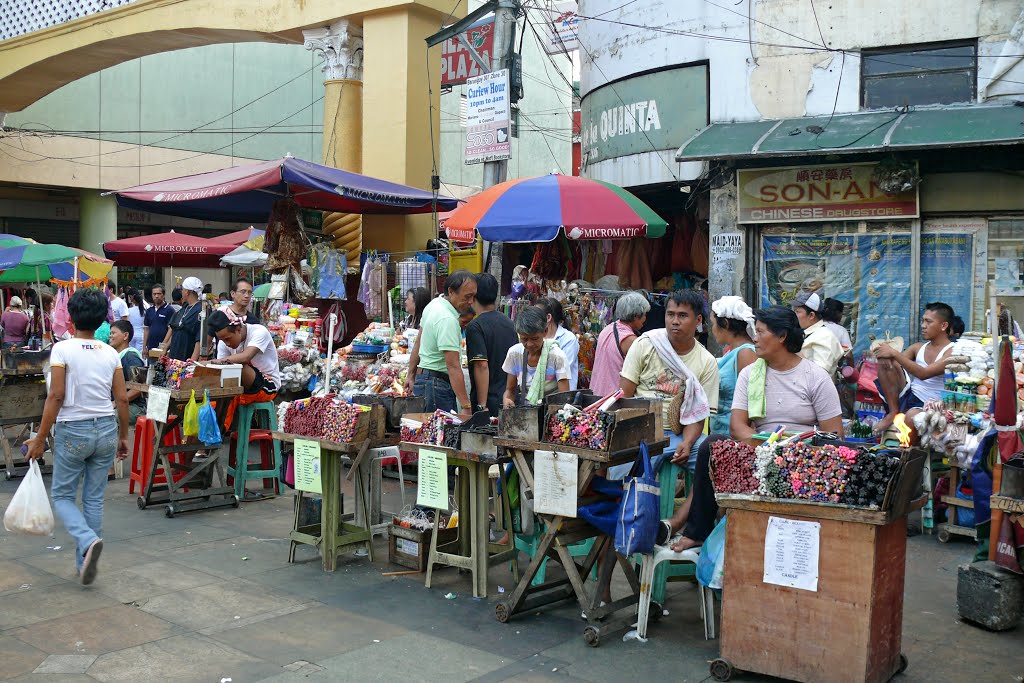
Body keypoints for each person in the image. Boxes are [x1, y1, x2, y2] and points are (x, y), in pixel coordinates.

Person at [662, 306, 844, 551]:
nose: (754, 339)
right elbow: (738, 427)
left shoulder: (815, 377)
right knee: (711, 445)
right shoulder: (751, 374)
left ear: (781, 336)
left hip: (803, 457)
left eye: (760, 332)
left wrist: (790, 449)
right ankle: (697, 532)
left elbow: (833, 436)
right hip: (761, 451)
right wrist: (769, 446)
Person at [24, 288, 129, 585]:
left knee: (62, 495)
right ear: (103, 319)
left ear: (70, 317)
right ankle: (85, 561)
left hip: (73, 429)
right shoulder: (111, 353)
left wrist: (40, 438)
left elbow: (56, 395)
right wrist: (123, 436)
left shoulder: (62, 350)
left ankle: (85, 540)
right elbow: (121, 399)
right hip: (106, 427)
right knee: (93, 499)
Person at [620, 289, 720, 473]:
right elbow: (624, 396)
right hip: (640, 430)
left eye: (682, 316)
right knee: (625, 474)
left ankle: (692, 503)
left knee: (713, 462)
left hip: (679, 434)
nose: (675, 321)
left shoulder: (706, 361)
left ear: (698, 321)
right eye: (670, 314)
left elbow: (698, 415)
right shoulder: (645, 344)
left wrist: (687, 443)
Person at [874, 302, 958, 436]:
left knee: (911, 417)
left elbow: (924, 374)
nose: (923, 326)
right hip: (910, 396)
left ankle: (908, 451)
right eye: (923, 321)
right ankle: (893, 411)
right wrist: (885, 354)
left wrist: (894, 353)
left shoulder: (952, 351)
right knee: (886, 362)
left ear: (943, 326)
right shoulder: (917, 347)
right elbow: (894, 364)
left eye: (928, 322)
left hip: (931, 405)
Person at [406, 270, 477, 415]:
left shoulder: (434, 304)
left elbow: (418, 342)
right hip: (436, 387)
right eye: (467, 297)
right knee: (441, 435)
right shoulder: (448, 319)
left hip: (424, 381)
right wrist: (466, 405)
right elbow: (453, 366)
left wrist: (411, 375)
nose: (470, 302)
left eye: (473, 297)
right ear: (451, 291)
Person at [465, 273, 518, 416]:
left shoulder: (475, 327)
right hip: (508, 398)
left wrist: (482, 406)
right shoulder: (509, 323)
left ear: (474, 295)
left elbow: (481, 365)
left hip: (489, 401)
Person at [501, 306, 571, 406]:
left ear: (545, 331)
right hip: (525, 412)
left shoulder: (557, 356)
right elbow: (510, 390)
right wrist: (507, 400)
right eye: (524, 339)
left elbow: (564, 398)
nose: (529, 344)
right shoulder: (514, 354)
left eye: (534, 339)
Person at [708, 296, 757, 435]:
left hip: (733, 436)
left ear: (725, 323)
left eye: (713, 324)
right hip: (720, 432)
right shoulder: (730, 351)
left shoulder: (746, 353)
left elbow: (751, 400)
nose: (712, 329)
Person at [206, 309, 281, 395]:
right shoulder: (224, 341)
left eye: (228, 339)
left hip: (268, 385)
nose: (226, 344)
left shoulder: (260, 332)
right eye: (222, 340)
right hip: (243, 385)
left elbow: (245, 357)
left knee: (239, 366)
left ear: (238, 329)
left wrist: (209, 363)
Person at [589, 291, 650, 396]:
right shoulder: (631, 341)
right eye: (644, 314)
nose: (645, 318)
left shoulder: (607, 329)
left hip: (595, 394)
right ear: (636, 316)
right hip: (613, 399)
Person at [792, 290, 843, 376]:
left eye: (798, 311)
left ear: (811, 315)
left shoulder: (824, 337)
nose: (794, 315)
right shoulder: (808, 333)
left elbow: (819, 374)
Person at [108, 320, 147, 425]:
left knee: (106, 419)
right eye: (110, 333)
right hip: (120, 403)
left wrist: (116, 402)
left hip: (135, 406)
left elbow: (139, 387)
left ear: (125, 336)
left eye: (113, 333)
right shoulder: (117, 356)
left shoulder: (131, 357)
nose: (110, 336)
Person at [537, 297, 580, 390]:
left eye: (537, 315)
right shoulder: (536, 337)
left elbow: (562, 369)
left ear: (548, 317)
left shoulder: (568, 339)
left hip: (561, 396)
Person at [159, 276, 203, 361]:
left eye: (183, 289)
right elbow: (176, 329)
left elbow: (199, 339)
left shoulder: (200, 310)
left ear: (187, 292)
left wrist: (192, 361)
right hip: (175, 355)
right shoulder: (184, 308)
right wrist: (165, 349)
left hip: (187, 354)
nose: (181, 292)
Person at [143, 285, 174, 355]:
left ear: (163, 295)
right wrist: (144, 346)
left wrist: (163, 345)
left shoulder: (169, 310)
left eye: (159, 294)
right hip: (151, 348)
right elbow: (146, 329)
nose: (156, 296)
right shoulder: (149, 311)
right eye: (154, 294)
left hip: (164, 349)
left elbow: (171, 329)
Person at [126, 290, 148, 354]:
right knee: (140, 355)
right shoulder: (145, 311)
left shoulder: (129, 310)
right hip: (141, 335)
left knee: (131, 353)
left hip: (132, 334)